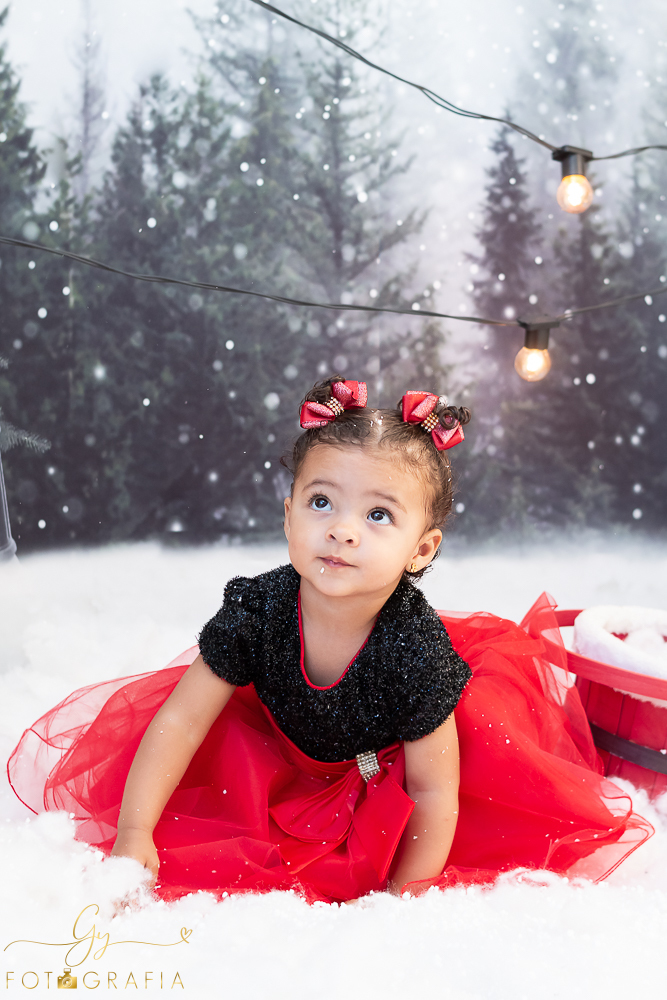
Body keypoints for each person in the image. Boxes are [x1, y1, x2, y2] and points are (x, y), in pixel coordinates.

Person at [8, 376, 652, 903]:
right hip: (273, 746)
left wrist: (410, 893)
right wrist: (136, 830)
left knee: (474, 757)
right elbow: (180, 720)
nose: (343, 531)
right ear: (287, 513)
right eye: (321, 502)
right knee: (200, 788)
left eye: (378, 515)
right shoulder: (259, 607)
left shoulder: (413, 650)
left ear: (420, 550)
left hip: (377, 769)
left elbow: (433, 791)